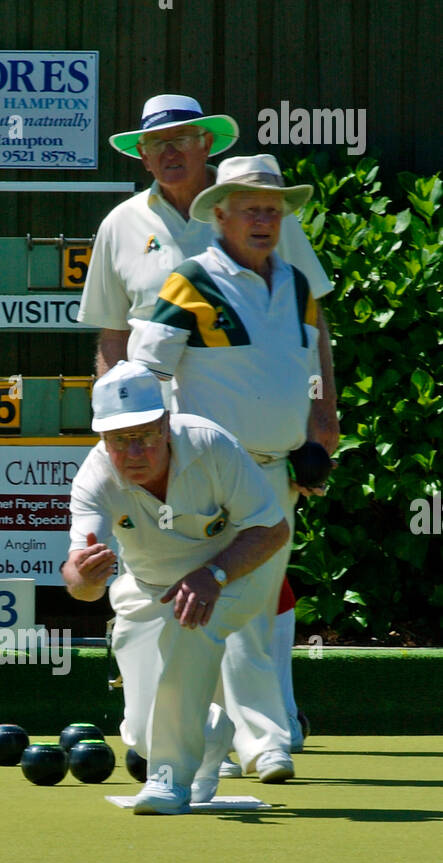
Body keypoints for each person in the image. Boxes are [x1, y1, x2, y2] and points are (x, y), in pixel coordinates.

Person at [78, 94, 338, 746]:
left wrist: (320, 416)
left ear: (206, 147)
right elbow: (114, 341)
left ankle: (266, 727)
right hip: (172, 447)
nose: (167, 152)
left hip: (261, 447)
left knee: (257, 577)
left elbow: (309, 325)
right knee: (180, 586)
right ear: (140, 153)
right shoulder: (118, 224)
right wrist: (127, 432)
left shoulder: (266, 219)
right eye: (154, 143)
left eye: (181, 139)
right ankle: (182, 730)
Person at [127, 154, 329, 782]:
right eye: (251, 208)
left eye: (273, 208)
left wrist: (314, 436)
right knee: (216, 605)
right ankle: (224, 737)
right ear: (221, 214)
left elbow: (306, 373)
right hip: (211, 473)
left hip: (277, 474)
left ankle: (251, 741)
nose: (265, 219)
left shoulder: (295, 286)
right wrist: (165, 451)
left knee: (256, 610)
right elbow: (145, 373)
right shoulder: (189, 282)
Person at [63, 360, 289, 815]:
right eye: (119, 440)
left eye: (145, 435)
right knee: (144, 733)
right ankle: (208, 733)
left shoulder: (211, 444)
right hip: (149, 588)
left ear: (166, 425)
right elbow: (79, 583)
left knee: (193, 625)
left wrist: (214, 575)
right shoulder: (94, 479)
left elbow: (272, 528)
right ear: (102, 440)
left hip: (236, 572)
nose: (134, 452)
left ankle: (169, 781)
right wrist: (84, 578)